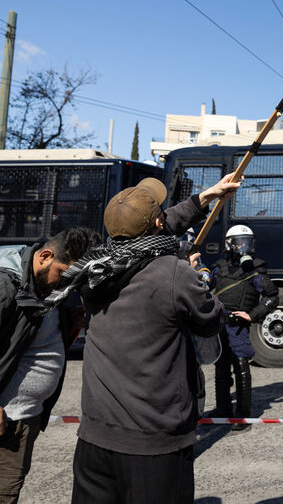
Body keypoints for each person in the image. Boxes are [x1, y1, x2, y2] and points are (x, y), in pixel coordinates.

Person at [69, 175, 239, 504]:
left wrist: (206, 196)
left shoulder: (93, 267)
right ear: (159, 223)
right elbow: (212, 321)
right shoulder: (173, 274)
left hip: (94, 436)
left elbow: (147, 232)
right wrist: (197, 277)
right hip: (154, 444)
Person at [0, 228, 100, 504]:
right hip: (6, 417)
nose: (65, 287)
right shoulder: (6, 286)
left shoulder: (45, 284)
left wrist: (69, 318)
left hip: (22, 417)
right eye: (64, 276)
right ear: (45, 256)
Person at [210, 224, 279, 431]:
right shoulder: (219, 267)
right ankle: (223, 408)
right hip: (220, 322)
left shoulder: (256, 270)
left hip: (238, 325)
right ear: (229, 244)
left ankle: (243, 413)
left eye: (247, 242)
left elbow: (272, 295)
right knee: (220, 366)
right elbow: (203, 288)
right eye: (239, 242)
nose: (243, 247)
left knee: (240, 365)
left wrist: (252, 315)